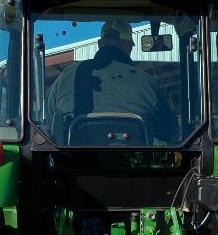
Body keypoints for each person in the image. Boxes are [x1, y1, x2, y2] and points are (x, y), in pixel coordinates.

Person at [45, 21, 177, 144]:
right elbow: (168, 132)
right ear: (128, 46)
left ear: (100, 44)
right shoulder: (150, 83)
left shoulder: (67, 76)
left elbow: (48, 124)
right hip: (135, 166)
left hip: (73, 164)